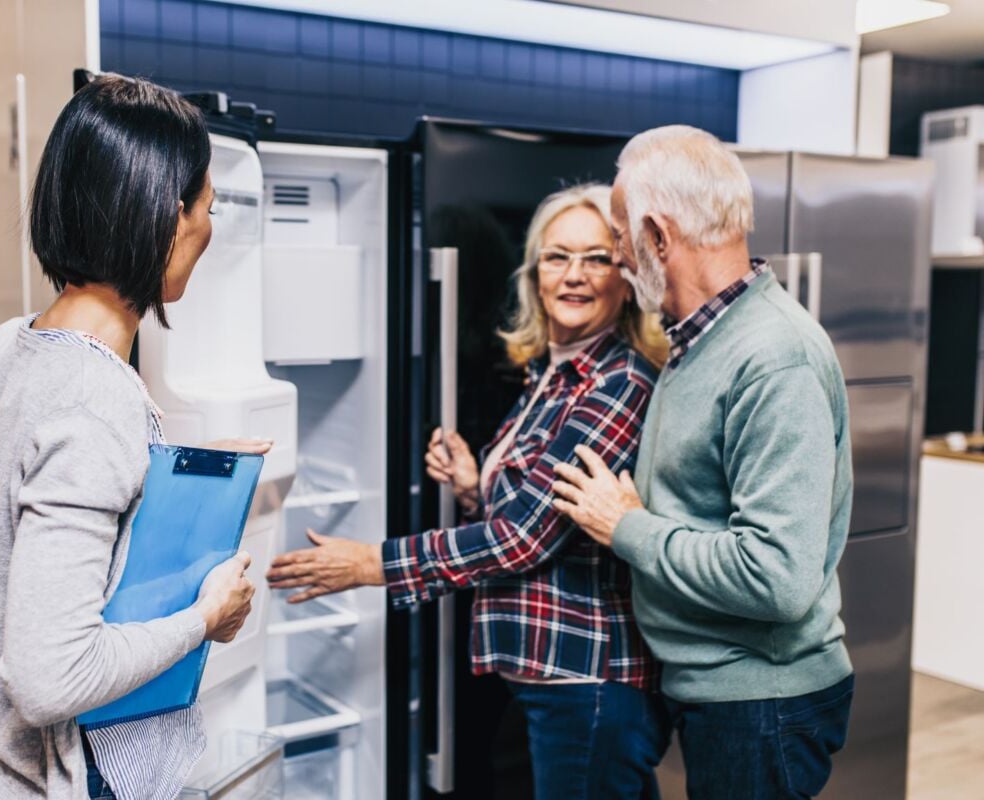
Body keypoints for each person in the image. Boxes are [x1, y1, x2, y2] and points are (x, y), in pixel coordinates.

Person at [267, 184, 671, 800]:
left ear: (626, 277)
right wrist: (474, 485)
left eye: (596, 258)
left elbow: (525, 540)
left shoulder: (617, 384)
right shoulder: (555, 375)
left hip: (590, 679)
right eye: (557, 257)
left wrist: (369, 563)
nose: (574, 275)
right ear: (534, 274)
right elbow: (547, 515)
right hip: (554, 672)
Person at [0, 75, 264, 800]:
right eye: (207, 207)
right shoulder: (95, 397)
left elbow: (41, 518)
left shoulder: (6, 347)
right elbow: (52, 678)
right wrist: (205, 618)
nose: (209, 229)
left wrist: (181, 473)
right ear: (168, 217)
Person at [551, 125, 855, 800]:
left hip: (762, 702)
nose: (620, 258)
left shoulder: (774, 357)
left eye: (623, 239)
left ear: (659, 236)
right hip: (719, 692)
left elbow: (777, 578)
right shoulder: (696, 342)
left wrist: (626, 526)